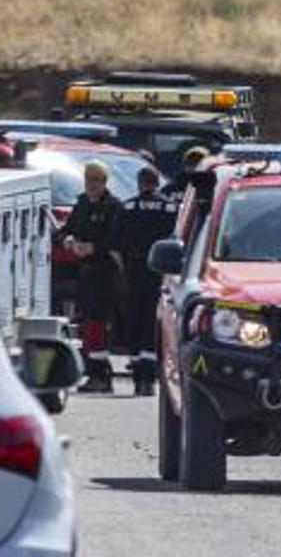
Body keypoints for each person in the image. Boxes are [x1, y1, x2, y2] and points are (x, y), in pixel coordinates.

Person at [56, 161, 123, 393]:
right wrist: (67, 239)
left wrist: (94, 248)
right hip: (85, 273)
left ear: (104, 182)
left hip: (105, 273)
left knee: (98, 324)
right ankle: (94, 373)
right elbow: (67, 229)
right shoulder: (82, 203)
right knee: (87, 323)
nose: (91, 185)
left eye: (96, 180)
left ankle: (102, 376)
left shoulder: (114, 207)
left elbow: (116, 241)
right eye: (88, 180)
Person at [113, 165, 179, 397]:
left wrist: (124, 269)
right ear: (157, 182)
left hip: (133, 269)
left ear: (140, 183)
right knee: (154, 320)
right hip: (160, 271)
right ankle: (149, 379)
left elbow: (116, 245)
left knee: (134, 319)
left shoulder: (127, 206)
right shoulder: (171, 208)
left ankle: (137, 376)